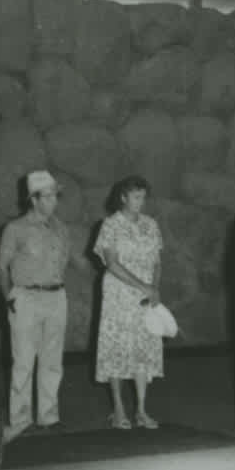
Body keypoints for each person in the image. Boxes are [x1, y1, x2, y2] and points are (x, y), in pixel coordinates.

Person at [0, 169, 71, 443]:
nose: (54, 201)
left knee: (52, 361)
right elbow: (1, 267)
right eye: (48, 196)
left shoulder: (61, 228)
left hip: (55, 296)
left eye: (55, 196)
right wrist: (10, 297)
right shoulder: (15, 229)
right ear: (34, 199)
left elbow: (62, 261)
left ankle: (49, 418)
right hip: (25, 297)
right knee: (23, 361)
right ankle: (21, 421)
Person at [94, 175, 164, 430]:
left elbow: (157, 260)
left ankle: (142, 410)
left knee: (143, 348)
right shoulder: (111, 225)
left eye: (143, 197)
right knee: (117, 347)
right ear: (123, 197)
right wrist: (143, 286)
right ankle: (119, 409)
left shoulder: (151, 224)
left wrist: (154, 287)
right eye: (136, 197)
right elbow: (112, 263)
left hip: (145, 296)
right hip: (120, 293)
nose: (140, 202)